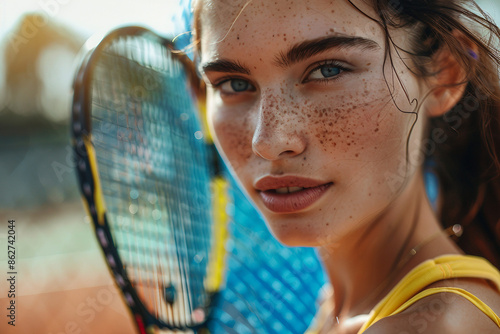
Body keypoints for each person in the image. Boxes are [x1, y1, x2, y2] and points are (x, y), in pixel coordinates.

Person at [190, 0, 500, 332]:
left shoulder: (433, 324)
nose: (268, 142)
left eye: (328, 69)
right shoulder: (340, 308)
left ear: (445, 73)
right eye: (233, 84)